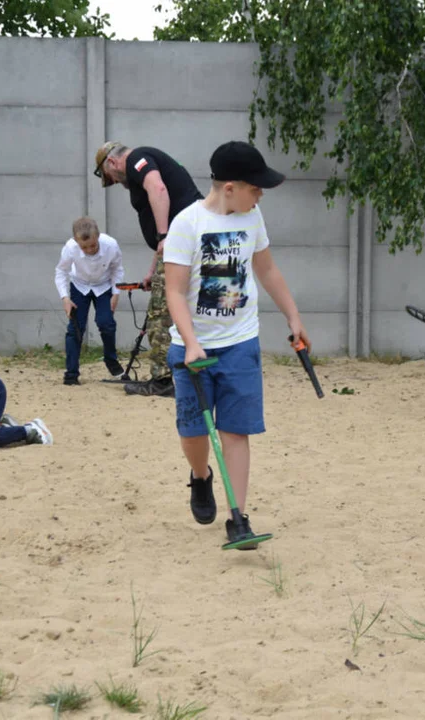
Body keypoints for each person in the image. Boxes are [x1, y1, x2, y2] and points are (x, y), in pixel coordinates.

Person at [164, 140, 309, 548]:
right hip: (193, 349)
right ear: (230, 187)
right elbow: (174, 291)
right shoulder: (187, 224)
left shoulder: (252, 216)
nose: (260, 194)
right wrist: (191, 343)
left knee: (235, 431)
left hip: (241, 342)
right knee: (193, 433)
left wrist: (293, 316)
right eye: (255, 187)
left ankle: (238, 518)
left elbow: (267, 269)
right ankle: (200, 476)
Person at [94, 141, 205, 397]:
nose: (115, 182)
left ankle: (162, 381)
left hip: (183, 244)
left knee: (160, 313)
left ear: (111, 162)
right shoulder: (146, 160)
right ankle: (188, 371)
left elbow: (158, 188)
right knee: (187, 307)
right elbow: (163, 238)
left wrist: (166, 235)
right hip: (185, 246)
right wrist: (153, 270)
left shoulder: (136, 159)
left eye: (110, 177)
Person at [54, 216, 126, 385]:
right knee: (75, 329)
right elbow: (61, 272)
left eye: (93, 245)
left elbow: (117, 269)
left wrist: (116, 293)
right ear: (76, 241)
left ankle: (111, 360)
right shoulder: (70, 248)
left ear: (98, 236)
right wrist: (65, 298)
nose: (89, 250)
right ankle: (71, 373)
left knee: (106, 323)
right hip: (80, 285)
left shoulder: (111, 245)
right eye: (84, 247)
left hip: (104, 286)